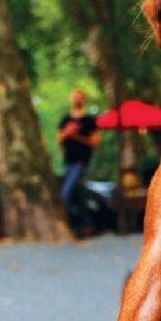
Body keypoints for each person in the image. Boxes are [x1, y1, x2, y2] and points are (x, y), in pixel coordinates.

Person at [57, 88, 99, 237]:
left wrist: (76, 136)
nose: (77, 99)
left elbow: (95, 142)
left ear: (83, 100)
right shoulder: (65, 119)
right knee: (80, 195)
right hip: (68, 162)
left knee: (66, 194)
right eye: (75, 97)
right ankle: (86, 225)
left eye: (79, 97)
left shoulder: (88, 120)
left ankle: (74, 223)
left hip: (81, 163)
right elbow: (59, 140)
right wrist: (66, 134)